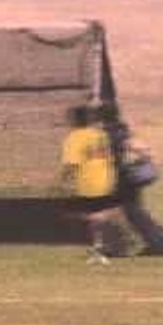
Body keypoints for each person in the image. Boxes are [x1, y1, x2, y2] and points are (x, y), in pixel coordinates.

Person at [97, 103, 163, 256]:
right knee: (134, 211)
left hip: (122, 178)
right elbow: (135, 146)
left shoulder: (109, 132)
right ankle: (162, 238)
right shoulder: (121, 128)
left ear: (102, 116)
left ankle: (160, 243)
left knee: (132, 212)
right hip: (127, 176)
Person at [59, 105, 121, 265]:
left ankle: (99, 246)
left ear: (74, 120)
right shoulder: (100, 135)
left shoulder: (74, 137)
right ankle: (98, 246)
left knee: (77, 214)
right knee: (99, 213)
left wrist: (64, 181)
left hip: (87, 183)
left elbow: (71, 164)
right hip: (105, 179)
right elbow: (109, 157)